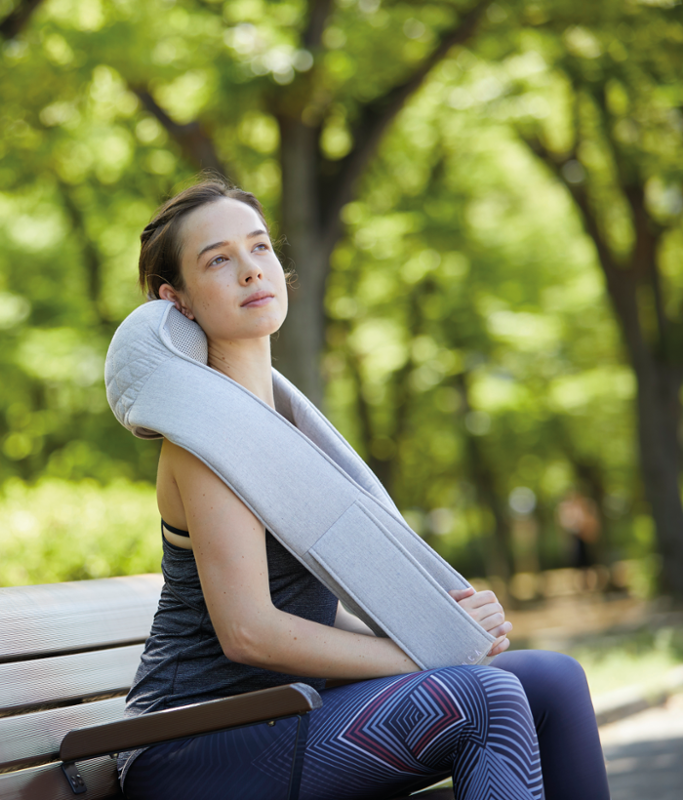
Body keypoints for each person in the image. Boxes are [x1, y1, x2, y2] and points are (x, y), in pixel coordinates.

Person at [118, 178, 609, 800]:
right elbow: (250, 632)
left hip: (286, 712)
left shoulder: (285, 421)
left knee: (552, 679)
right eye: (218, 260)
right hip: (194, 745)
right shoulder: (201, 441)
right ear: (178, 300)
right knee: (485, 697)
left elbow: (312, 613)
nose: (250, 270)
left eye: (260, 248)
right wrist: (424, 651)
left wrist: (436, 624)